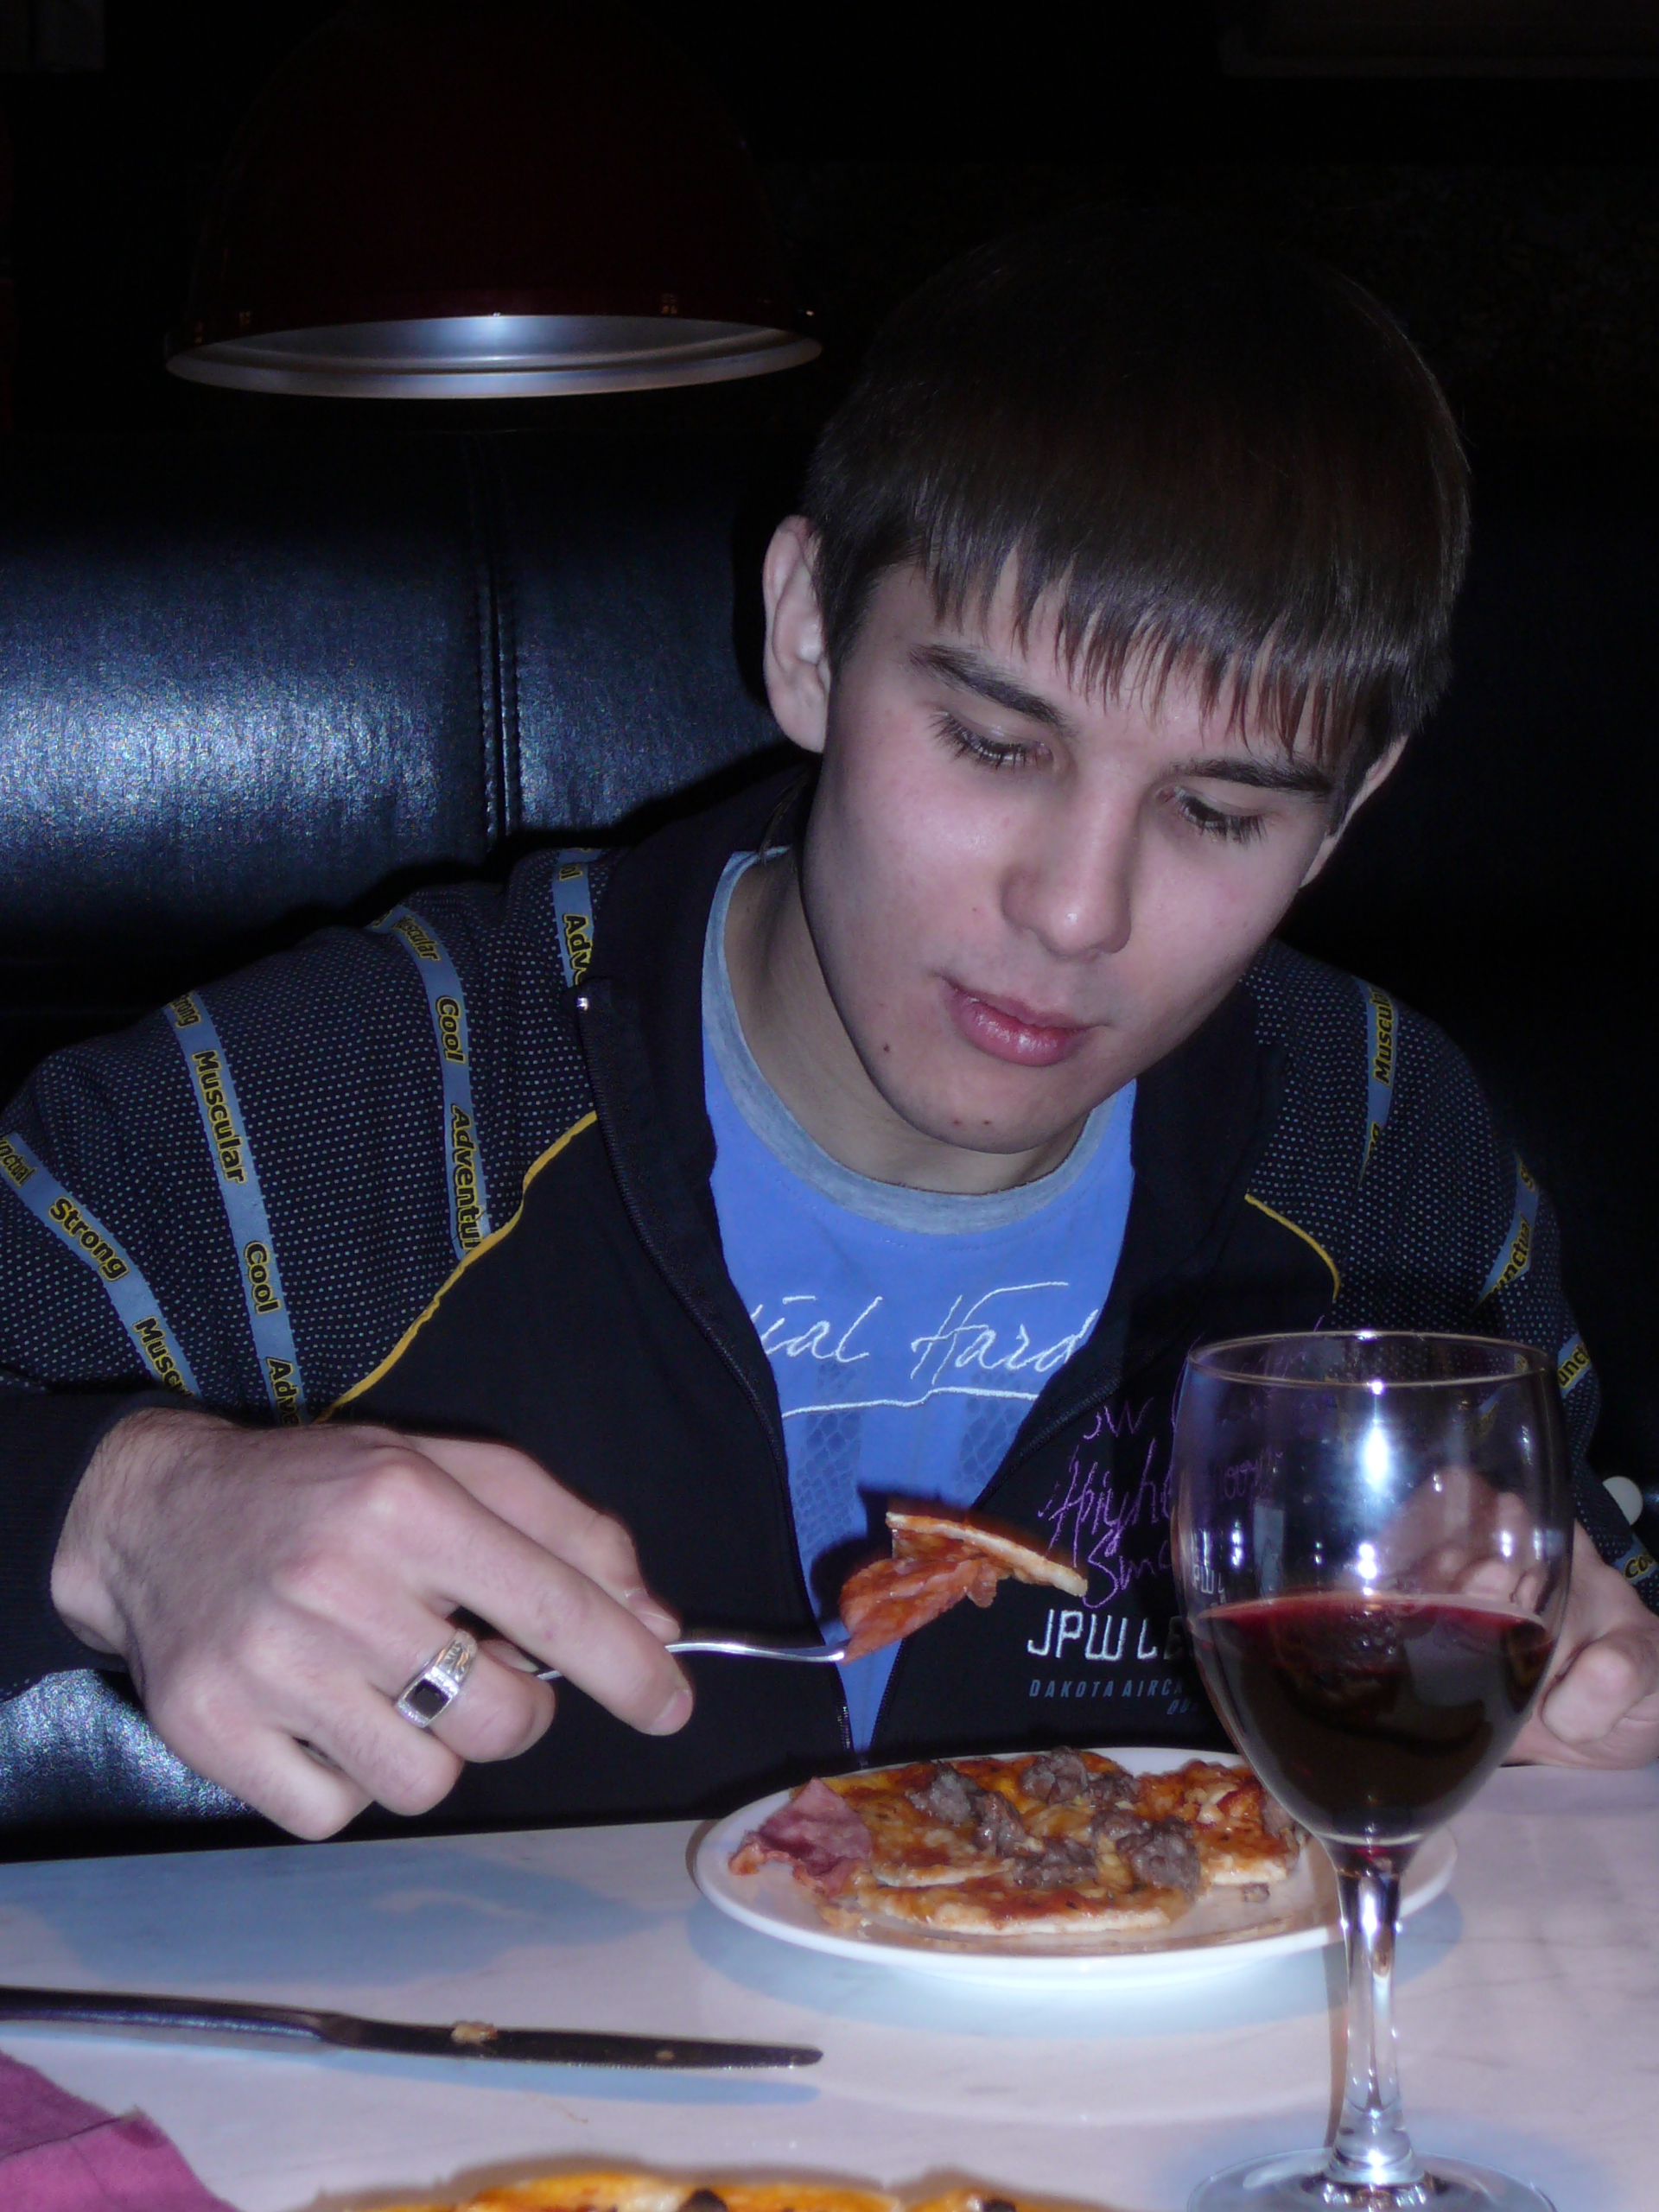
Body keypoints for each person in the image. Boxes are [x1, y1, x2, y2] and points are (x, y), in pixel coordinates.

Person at [3, 213, 1656, 1844]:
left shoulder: (1380, 1149)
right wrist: (123, 1511)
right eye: (992, 744)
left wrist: (1597, 1697)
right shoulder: (352, 1101)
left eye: (1219, 814)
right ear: (809, 637)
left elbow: (1593, 1607)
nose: (1077, 912)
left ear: (1347, 813)